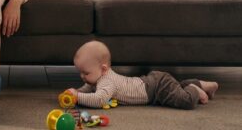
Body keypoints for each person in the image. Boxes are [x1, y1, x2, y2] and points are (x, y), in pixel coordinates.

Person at [65, 41, 219, 110]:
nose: (82, 76)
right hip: (152, 83)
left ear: (104, 69)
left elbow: (99, 99)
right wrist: (76, 93)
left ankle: (193, 88)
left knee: (185, 101)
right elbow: (87, 88)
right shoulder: (97, 78)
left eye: (86, 73)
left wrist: (78, 98)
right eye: (80, 72)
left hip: (156, 88)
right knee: (176, 89)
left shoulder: (107, 81)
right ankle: (202, 84)